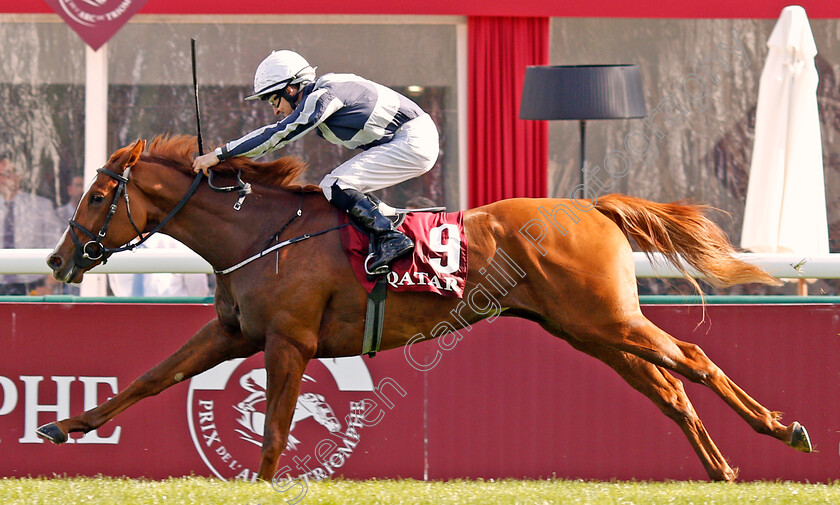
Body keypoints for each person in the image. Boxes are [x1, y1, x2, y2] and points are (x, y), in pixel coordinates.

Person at [192, 50, 440, 275]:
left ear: (290, 89)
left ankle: (390, 237)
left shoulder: (324, 95)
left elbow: (278, 134)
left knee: (334, 184)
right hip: (408, 138)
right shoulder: (325, 90)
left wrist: (221, 154)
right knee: (343, 184)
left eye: (273, 100)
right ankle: (387, 224)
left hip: (412, 139)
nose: (275, 110)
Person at [0, 154, 64, 295]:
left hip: (34, 286)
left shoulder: (40, 207)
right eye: (0, 175)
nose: (3, 180)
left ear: (19, 175)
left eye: (7, 174)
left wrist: (49, 285)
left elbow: (58, 248)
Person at [107, 234, 211, 297]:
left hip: (173, 324)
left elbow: (198, 292)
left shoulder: (180, 246)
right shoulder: (118, 250)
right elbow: (117, 289)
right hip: (130, 325)